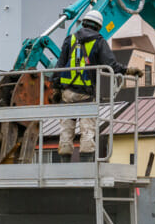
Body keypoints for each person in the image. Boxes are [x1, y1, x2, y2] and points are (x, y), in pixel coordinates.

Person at [54, 9, 140, 161]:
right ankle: (87, 167)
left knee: (66, 132)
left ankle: (64, 165)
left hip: (67, 94)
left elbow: (59, 66)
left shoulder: (70, 39)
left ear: (84, 23)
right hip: (86, 94)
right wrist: (129, 70)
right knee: (87, 132)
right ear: (98, 26)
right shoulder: (99, 41)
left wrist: (56, 88)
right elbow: (112, 65)